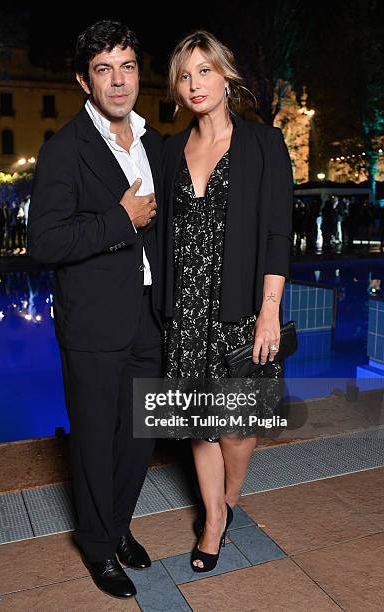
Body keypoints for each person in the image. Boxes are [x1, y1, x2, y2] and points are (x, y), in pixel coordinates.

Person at [27, 21, 163, 600]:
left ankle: (118, 526)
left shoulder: (156, 141)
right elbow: (44, 242)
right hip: (92, 324)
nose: (118, 80)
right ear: (84, 80)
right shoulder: (65, 149)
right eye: (104, 69)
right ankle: (97, 544)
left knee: (139, 437)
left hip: (149, 318)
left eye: (127, 66)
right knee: (94, 441)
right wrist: (119, 219)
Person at [162, 31, 293, 573]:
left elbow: (277, 232)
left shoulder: (264, 144)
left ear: (226, 76)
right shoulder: (170, 151)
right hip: (186, 309)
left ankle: (228, 501)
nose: (196, 84)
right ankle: (214, 520)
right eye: (185, 75)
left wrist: (269, 309)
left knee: (240, 426)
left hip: (241, 305)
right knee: (199, 424)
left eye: (205, 71)